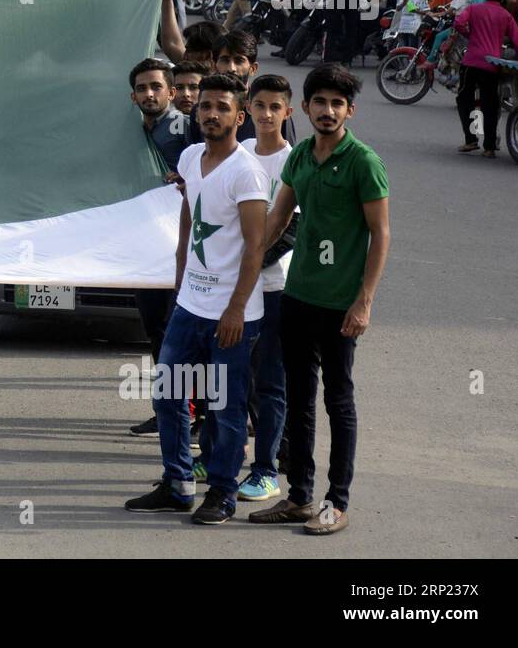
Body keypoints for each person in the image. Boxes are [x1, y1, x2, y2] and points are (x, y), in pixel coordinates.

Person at [250, 64, 389, 535]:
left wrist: (364, 301)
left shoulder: (363, 162)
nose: (327, 111)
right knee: (300, 401)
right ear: (306, 107)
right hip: (298, 297)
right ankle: (299, 497)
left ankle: (337, 501)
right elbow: (277, 217)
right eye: (320, 102)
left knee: (339, 401)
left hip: (339, 306)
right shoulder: (301, 156)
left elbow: (381, 235)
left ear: (350, 110)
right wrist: (246, 269)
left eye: (337, 103)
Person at [125, 72, 268, 524]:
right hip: (190, 305)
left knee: (225, 408)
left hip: (232, 313)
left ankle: (222, 493)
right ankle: (178, 484)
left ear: (238, 116)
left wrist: (236, 310)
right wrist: (181, 270)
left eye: (222, 108)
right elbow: (191, 211)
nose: (210, 113)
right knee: (168, 395)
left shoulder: (247, 172)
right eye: (205, 106)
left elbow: (255, 245)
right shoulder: (189, 157)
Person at [236, 73, 296, 502]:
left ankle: (266, 469)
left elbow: (294, 231)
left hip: (274, 289)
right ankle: (222, 455)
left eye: (276, 107)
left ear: (288, 112)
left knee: (270, 383)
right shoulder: (235, 155)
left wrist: (254, 266)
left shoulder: (295, 162)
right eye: (260, 106)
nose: (267, 114)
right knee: (232, 377)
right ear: (248, 109)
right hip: (232, 289)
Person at [127, 58, 191, 437]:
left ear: (171, 91)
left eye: (156, 86)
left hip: (181, 247)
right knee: (155, 330)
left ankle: (190, 415)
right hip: (142, 247)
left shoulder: (187, 130)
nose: (149, 94)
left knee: (176, 333)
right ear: (132, 96)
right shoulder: (126, 132)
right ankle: (165, 410)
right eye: (141, 88)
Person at [453, 0, 518, 157]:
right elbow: (517, 41)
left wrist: (470, 35)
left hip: (471, 62)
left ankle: (471, 140)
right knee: (490, 104)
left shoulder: (473, 9)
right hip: (492, 65)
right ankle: (489, 146)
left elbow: (458, 23)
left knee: (465, 100)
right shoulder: (505, 15)